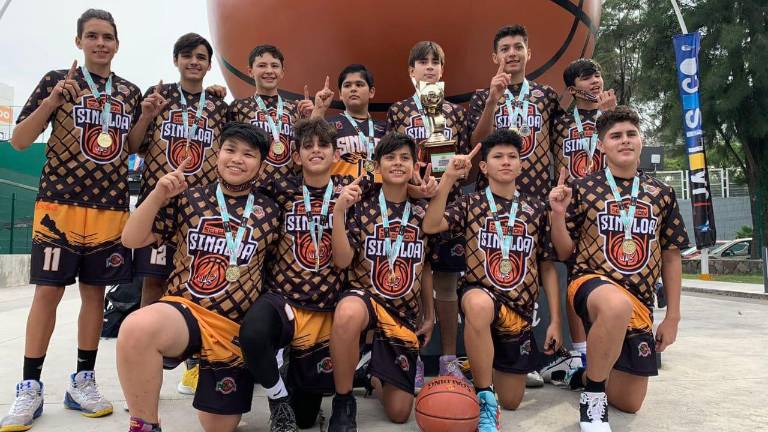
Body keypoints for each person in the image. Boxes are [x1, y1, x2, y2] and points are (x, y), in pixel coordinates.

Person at [1, 9, 142, 431]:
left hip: (110, 208)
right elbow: (19, 140)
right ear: (78, 41)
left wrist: (149, 114)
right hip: (58, 206)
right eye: (92, 36)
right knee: (48, 293)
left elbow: (134, 146)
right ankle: (29, 386)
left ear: (118, 44)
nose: (100, 43)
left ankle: (83, 381)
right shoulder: (56, 81)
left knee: (95, 296)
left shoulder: (129, 92)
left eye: (107, 37)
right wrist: (51, 103)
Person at [117, 122, 280, 432]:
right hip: (185, 310)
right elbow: (131, 239)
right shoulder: (188, 197)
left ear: (261, 164)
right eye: (230, 150)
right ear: (217, 154)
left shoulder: (271, 210)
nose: (237, 159)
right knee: (137, 328)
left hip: (233, 326)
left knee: (219, 427)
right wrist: (157, 195)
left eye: (248, 154)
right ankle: (145, 424)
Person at [548, 106, 689, 431]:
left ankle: (582, 376)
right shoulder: (582, 188)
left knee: (629, 402)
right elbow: (565, 251)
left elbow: (671, 256)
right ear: (601, 145)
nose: (624, 140)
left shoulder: (662, 194)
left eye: (630, 134)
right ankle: (593, 398)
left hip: (639, 300)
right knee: (615, 305)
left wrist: (672, 317)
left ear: (641, 140)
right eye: (615, 136)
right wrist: (558, 214)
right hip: (590, 284)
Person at [423, 130, 562, 431]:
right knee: (477, 304)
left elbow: (547, 266)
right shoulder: (471, 203)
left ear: (521, 164)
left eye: (512, 156)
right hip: (481, 294)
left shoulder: (537, 209)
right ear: (484, 167)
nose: (506, 161)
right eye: (498, 156)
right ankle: (484, 395)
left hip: (519, 310)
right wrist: (448, 179)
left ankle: (489, 370)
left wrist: (555, 320)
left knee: (511, 400)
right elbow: (431, 225)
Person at [126, 33, 230, 395]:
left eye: (201, 57)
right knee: (153, 284)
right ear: (175, 60)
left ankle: (195, 367)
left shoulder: (218, 106)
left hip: (200, 209)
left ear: (209, 64)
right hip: (160, 205)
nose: (194, 62)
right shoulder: (158, 96)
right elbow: (134, 145)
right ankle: (145, 370)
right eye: (187, 56)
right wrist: (146, 115)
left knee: (198, 285)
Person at [238, 118, 353, 431]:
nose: (316, 150)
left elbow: (344, 261)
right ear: (296, 156)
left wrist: (418, 188)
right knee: (253, 333)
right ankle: (277, 399)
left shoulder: (350, 194)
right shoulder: (280, 189)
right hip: (282, 299)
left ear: (336, 154)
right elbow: (241, 185)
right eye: (308, 146)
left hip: (323, 306)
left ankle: (290, 367)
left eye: (323, 145)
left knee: (304, 419)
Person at [328, 132, 435, 430]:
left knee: (399, 413)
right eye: (390, 158)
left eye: (404, 158)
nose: (397, 163)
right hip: (366, 298)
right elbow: (342, 261)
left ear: (415, 166)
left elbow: (426, 267)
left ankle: (371, 372)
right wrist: (338, 213)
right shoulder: (361, 205)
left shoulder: (424, 211)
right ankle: (343, 400)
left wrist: (430, 314)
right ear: (377, 165)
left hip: (402, 312)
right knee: (348, 312)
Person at [386, 41, 470, 389]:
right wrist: (413, 187)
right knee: (414, 278)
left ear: (442, 70)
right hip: (411, 203)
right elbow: (391, 160)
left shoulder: (455, 112)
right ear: (411, 71)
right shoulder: (399, 111)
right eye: (423, 62)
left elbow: (464, 158)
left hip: (448, 203)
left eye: (436, 62)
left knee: (447, 284)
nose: (430, 67)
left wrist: (454, 175)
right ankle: (415, 356)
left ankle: (449, 359)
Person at [540, 58, 617, 382]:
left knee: (609, 274)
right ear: (572, 89)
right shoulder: (558, 122)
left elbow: (624, 152)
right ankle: (578, 355)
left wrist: (610, 115)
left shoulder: (613, 115)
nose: (595, 81)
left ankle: (611, 352)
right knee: (573, 276)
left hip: (605, 204)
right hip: (570, 205)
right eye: (586, 78)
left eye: (597, 75)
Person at [467, 24, 561, 200]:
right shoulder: (482, 97)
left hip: (538, 194)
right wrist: (492, 102)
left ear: (528, 53)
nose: (512, 53)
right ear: (495, 58)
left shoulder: (547, 95)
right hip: (491, 194)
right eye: (505, 49)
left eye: (518, 47)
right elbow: (477, 145)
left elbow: (561, 144)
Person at [228, 44, 314, 182]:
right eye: (262, 66)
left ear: (282, 72)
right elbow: (228, 148)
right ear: (250, 71)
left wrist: (313, 116)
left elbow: (310, 147)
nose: (269, 71)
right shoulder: (238, 107)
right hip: (251, 186)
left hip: (291, 186)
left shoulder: (296, 108)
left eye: (274, 66)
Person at [311, 64, 386, 181]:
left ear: (371, 92)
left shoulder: (385, 128)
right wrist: (319, 110)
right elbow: (309, 148)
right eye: (347, 85)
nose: (353, 89)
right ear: (340, 94)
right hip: (340, 190)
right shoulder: (328, 124)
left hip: (379, 191)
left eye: (359, 84)